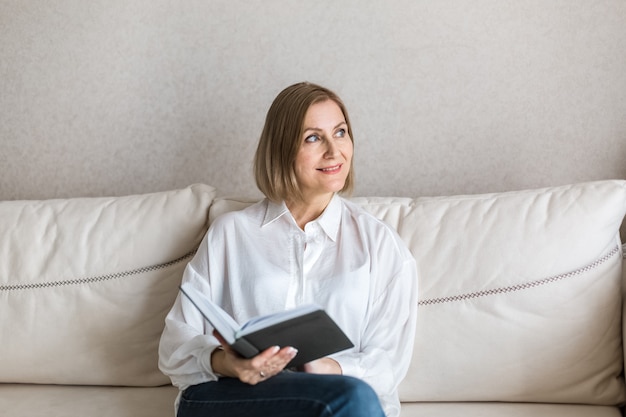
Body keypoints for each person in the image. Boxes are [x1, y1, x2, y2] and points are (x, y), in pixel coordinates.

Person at [158, 82, 418, 417]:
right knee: (351, 400)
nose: (334, 151)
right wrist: (229, 363)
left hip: (337, 402)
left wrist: (327, 369)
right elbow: (174, 348)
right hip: (237, 399)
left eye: (340, 132)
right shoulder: (231, 233)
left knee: (352, 398)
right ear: (282, 149)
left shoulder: (379, 244)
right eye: (313, 137)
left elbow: (388, 365)